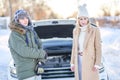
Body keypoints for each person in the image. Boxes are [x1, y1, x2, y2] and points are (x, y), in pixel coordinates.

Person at [8, 9, 47, 80]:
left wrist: (41, 62)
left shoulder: (31, 32)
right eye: (22, 18)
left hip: (37, 71)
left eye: (26, 18)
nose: (25, 20)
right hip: (26, 74)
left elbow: (40, 45)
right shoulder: (15, 34)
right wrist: (42, 54)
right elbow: (25, 51)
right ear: (17, 20)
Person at [70, 4, 102, 80]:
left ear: (88, 19)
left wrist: (97, 63)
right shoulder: (75, 31)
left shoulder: (94, 30)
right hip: (78, 60)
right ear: (78, 20)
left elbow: (98, 48)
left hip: (90, 61)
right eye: (81, 19)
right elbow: (74, 48)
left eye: (85, 18)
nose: (83, 21)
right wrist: (72, 62)